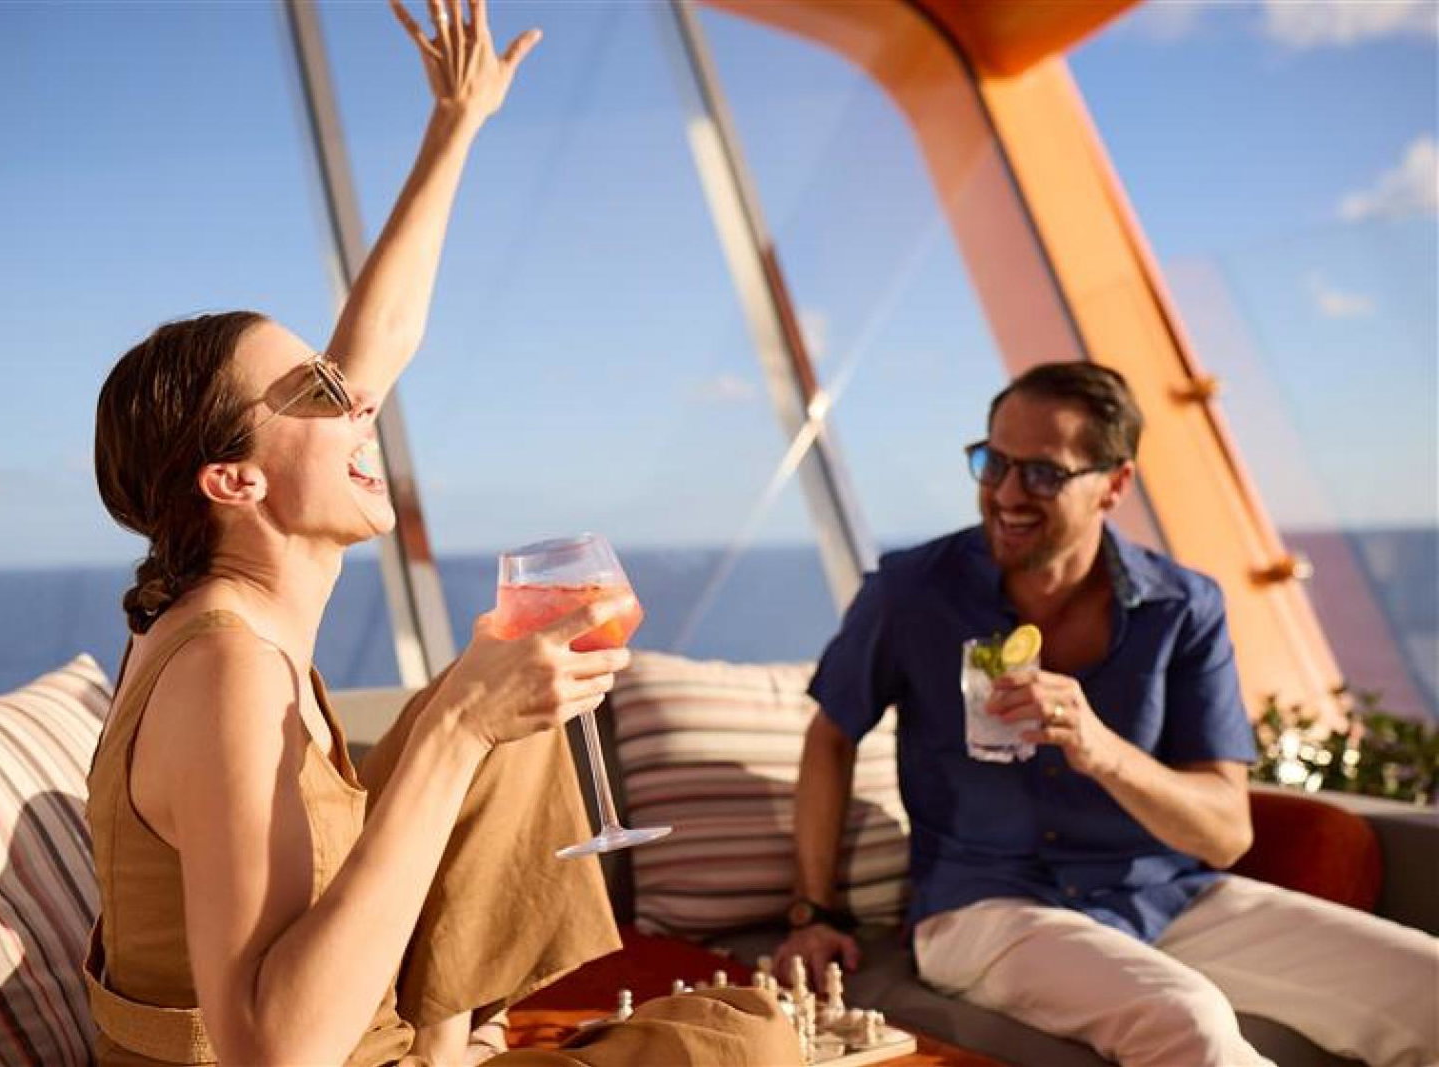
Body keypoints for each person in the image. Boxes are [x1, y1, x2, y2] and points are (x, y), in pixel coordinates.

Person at [87, 3, 799, 1065]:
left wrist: (456, 122)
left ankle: (452, 1032)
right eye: (321, 393)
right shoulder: (224, 671)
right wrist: (459, 725)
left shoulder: (215, 606)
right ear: (233, 479)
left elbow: (382, 335)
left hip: (370, 1029)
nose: (361, 402)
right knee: (743, 1043)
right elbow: (265, 1052)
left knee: (506, 685)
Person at [773, 361, 1438, 1067]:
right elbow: (831, 735)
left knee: (1426, 981)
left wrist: (1100, 748)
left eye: (1043, 474)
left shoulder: (1183, 608)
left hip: (1165, 896)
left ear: (1114, 485)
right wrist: (813, 911)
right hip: (984, 908)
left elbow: (1224, 833)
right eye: (994, 463)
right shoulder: (912, 591)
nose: (1006, 494)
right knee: (1188, 1022)